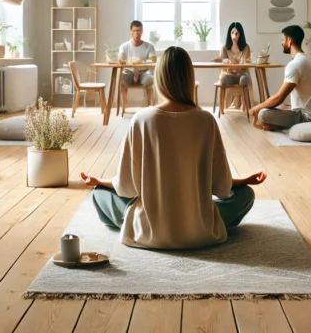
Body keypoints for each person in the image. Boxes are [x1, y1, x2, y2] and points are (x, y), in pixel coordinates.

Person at [80, 46, 266, 249]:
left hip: (150, 231)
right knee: (246, 195)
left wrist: (101, 182)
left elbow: (126, 186)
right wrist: (242, 182)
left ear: (160, 78)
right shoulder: (206, 120)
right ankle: (199, 228)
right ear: (188, 77)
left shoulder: (141, 120)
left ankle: (131, 224)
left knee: (99, 193)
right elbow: (219, 185)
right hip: (199, 230)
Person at [250, 25, 311, 130]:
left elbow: (279, 97)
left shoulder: (295, 64)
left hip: (306, 118)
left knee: (263, 113)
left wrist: (256, 108)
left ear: (289, 41)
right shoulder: (310, 61)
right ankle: (275, 125)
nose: (282, 43)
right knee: (276, 109)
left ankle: (276, 125)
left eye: (283, 40)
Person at [118, 20, 156, 106]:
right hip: (129, 71)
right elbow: (121, 57)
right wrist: (121, 59)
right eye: (135, 31)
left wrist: (141, 62)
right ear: (131, 32)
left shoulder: (149, 46)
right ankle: (125, 106)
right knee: (122, 79)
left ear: (142, 32)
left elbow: (153, 61)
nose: (137, 33)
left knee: (150, 79)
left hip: (144, 72)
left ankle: (148, 106)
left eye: (139, 31)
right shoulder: (124, 46)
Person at [215, 22, 252, 109]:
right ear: (229, 34)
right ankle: (223, 108)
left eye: (236, 33)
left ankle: (245, 106)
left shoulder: (246, 48)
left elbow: (245, 65)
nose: (234, 35)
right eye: (232, 33)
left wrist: (237, 66)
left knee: (245, 79)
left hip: (241, 74)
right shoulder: (224, 48)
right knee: (223, 79)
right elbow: (222, 63)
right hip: (229, 74)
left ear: (240, 34)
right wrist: (227, 63)